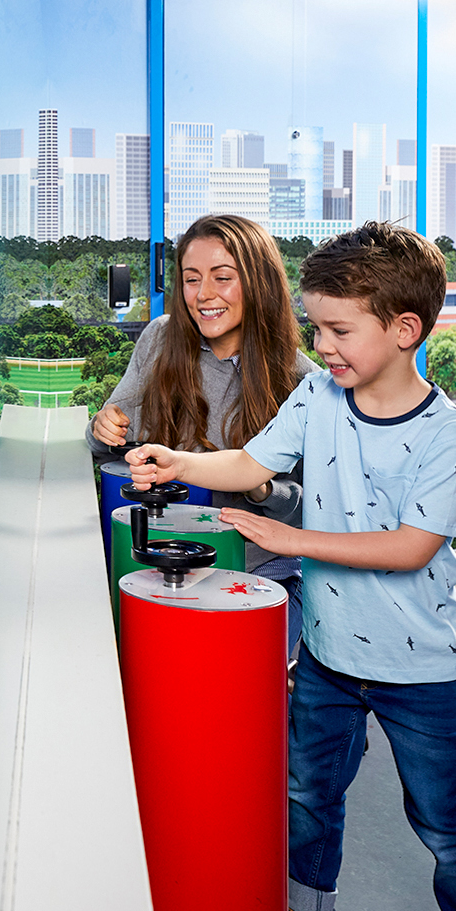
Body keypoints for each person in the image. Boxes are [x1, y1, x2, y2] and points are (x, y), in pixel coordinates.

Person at [126, 222, 456, 911]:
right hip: (327, 658)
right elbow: (249, 462)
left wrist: (292, 540)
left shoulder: (448, 434)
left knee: (445, 824)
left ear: (404, 329)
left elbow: (410, 548)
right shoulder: (316, 397)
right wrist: (179, 461)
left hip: (417, 671)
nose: (321, 346)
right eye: (316, 327)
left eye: (337, 331)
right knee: (307, 797)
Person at [90, 213, 318, 655]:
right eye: (191, 279)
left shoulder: (300, 381)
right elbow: (109, 435)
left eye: (222, 277)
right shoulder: (161, 339)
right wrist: (103, 427)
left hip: (257, 570)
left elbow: (312, 513)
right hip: (163, 553)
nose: (203, 295)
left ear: (259, 282)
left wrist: (261, 487)